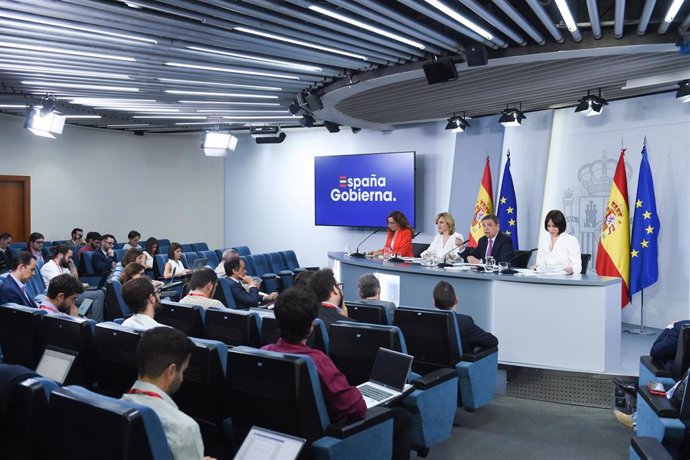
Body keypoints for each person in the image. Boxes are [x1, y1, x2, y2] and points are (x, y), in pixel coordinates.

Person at [262, 287, 411, 459]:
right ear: (311, 326)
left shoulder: (264, 352)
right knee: (403, 417)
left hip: (283, 438)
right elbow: (357, 408)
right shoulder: (317, 361)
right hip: (332, 435)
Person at [121, 327, 215, 460]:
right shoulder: (183, 428)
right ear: (171, 371)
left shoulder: (117, 408)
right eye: (183, 371)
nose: (182, 378)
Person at [40, 244, 106, 322]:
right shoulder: (50, 266)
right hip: (58, 296)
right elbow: (62, 286)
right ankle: (97, 324)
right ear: (61, 255)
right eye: (69, 257)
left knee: (102, 290)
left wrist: (72, 264)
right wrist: (80, 285)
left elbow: (75, 281)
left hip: (68, 292)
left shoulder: (63, 267)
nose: (70, 259)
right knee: (98, 294)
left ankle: (88, 320)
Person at [433, 281, 498, 354]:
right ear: (456, 300)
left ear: (434, 303)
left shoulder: (426, 320)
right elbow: (493, 341)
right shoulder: (464, 322)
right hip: (457, 364)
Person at [532, 210, 582, 274]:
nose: (551, 229)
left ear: (560, 225)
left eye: (554, 226)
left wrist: (572, 269)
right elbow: (541, 263)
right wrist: (537, 267)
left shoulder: (571, 240)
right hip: (547, 277)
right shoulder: (544, 240)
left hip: (565, 277)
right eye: (549, 226)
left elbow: (577, 266)